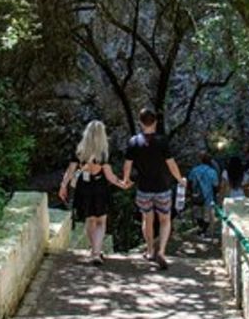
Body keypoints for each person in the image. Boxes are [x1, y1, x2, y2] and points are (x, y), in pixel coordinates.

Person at [121, 107, 187, 270]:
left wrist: (126, 180)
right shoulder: (162, 141)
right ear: (155, 122)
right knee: (165, 220)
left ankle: (150, 250)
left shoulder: (134, 142)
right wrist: (180, 179)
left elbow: (127, 165)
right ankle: (162, 252)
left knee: (147, 220)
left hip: (144, 188)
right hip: (162, 187)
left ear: (140, 123)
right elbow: (171, 164)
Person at [58, 120, 128, 265]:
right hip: (99, 187)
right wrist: (122, 184)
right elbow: (109, 176)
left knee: (90, 220)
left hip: (84, 187)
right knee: (101, 221)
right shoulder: (103, 154)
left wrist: (63, 186)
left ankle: (94, 250)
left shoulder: (79, 151)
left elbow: (70, 171)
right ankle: (96, 252)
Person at [187, 151, 220, 238]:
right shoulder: (212, 172)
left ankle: (201, 230)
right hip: (208, 197)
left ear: (201, 160)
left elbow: (189, 183)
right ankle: (203, 232)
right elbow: (215, 186)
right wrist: (216, 195)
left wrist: (191, 193)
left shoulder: (194, 170)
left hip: (196, 196)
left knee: (198, 215)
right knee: (207, 216)